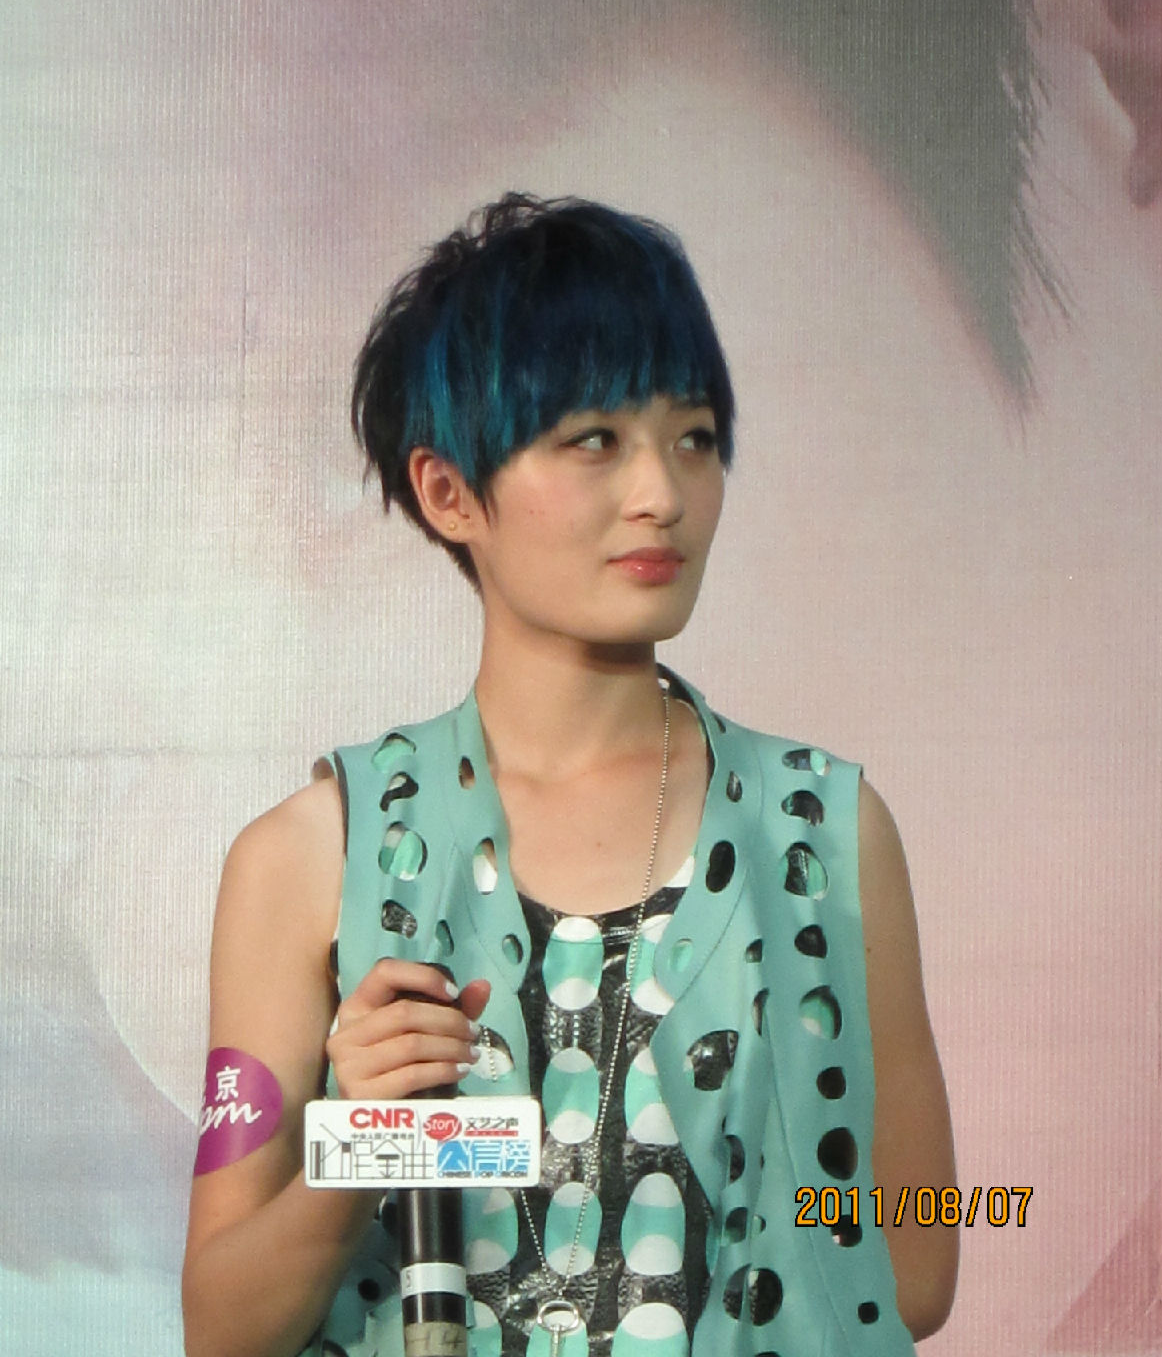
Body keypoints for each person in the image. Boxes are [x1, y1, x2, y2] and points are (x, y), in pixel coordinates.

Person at [181, 194, 957, 1357]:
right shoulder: (309, 856)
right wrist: (368, 1142)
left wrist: (778, 1172)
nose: (662, 494)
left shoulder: (822, 833)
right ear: (448, 491)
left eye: (693, 436)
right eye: (595, 439)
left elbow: (923, 1258)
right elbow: (218, 1326)